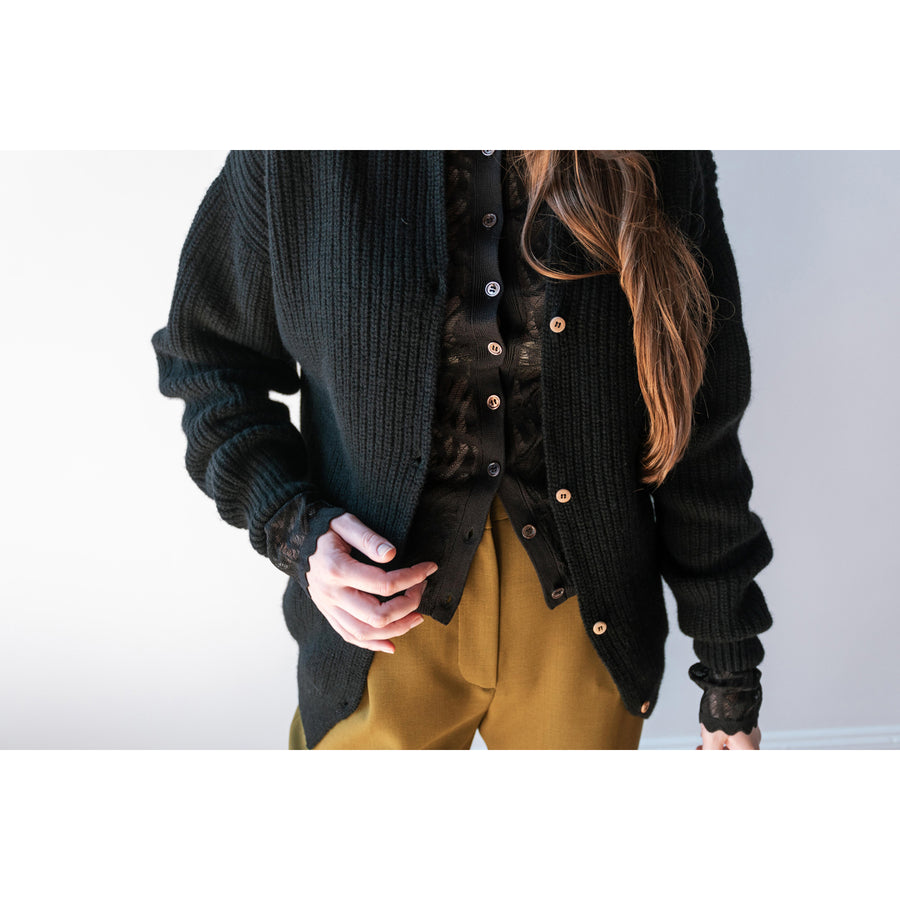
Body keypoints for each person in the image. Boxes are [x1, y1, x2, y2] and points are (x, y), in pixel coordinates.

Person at [151, 150, 773, 750]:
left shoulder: (652, 150)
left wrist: (730, 672)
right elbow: (208, 364)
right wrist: (295, 528)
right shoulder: (297, 152)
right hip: (375, 623)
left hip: (584, 618)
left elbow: (698, 416)